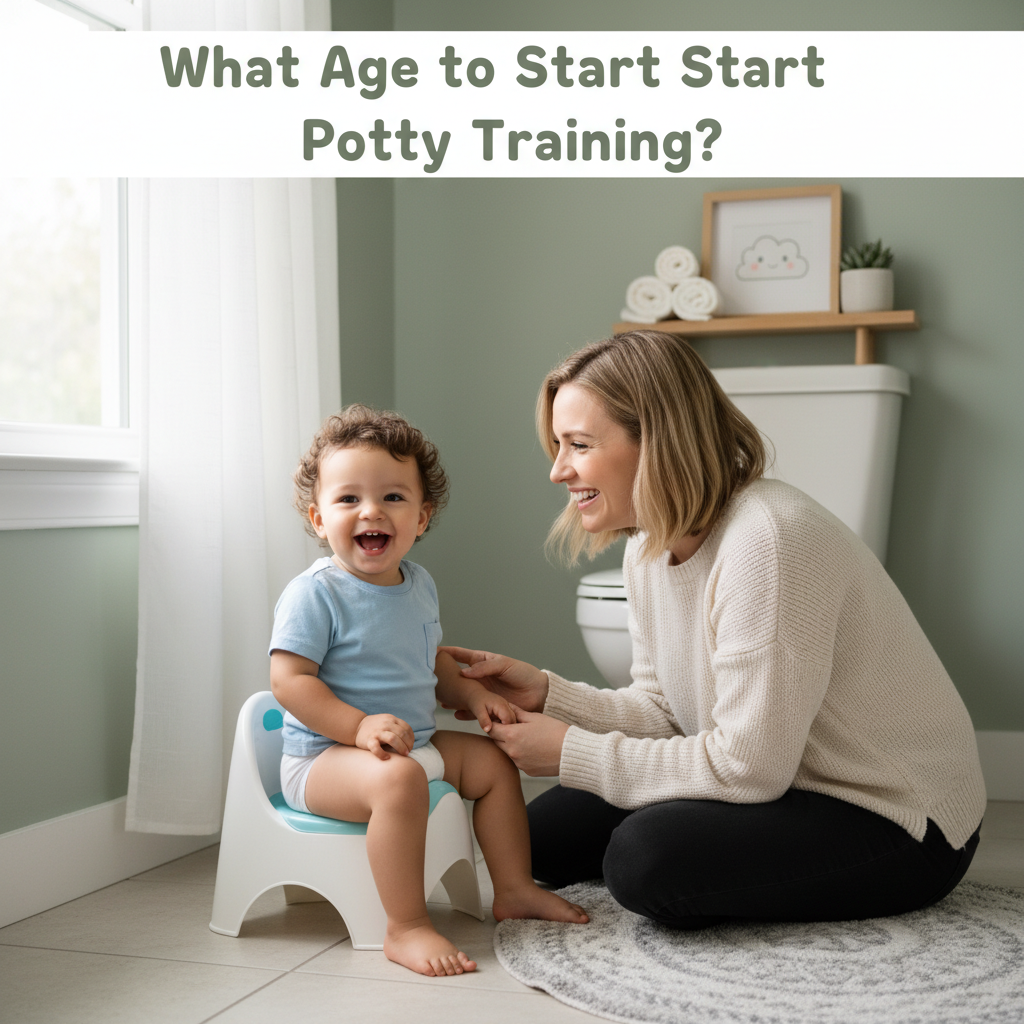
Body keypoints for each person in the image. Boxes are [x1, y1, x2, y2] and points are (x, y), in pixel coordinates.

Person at [442, 330, 986, 930]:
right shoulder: (648, 546)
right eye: (557, 445)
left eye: (578, 445)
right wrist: (548, 694)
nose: (557, 471)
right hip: (782, 777)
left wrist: (574, 751)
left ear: (656, 441)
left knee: (643, 859)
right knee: (539, 838)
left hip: (896, 816)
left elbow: (751, 767)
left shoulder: (769, 540)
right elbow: (664, 709)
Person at [270, 405, 588, 979]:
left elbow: (427, 662)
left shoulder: (418, 585)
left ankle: (513, 888)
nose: (371, 511)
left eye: (393, 497)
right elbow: (290, 682)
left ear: (422, 516)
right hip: (326, 759)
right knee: (399, 779)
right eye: (348, 500)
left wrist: (467, 697)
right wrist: (357, 727)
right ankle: (406, 925)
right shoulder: (315, 594)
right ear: (319, 519)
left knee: (493, 762)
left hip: (408, 743)